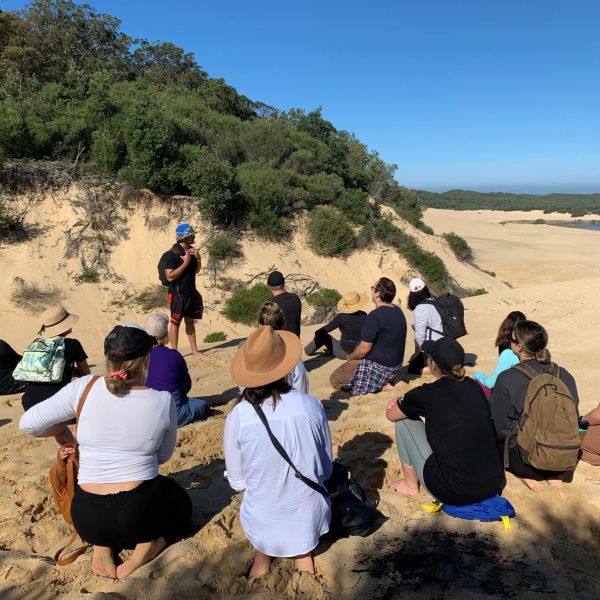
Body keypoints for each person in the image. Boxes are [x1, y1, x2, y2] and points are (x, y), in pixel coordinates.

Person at [19, 325, 191, 580]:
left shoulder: (85, 387)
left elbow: (28, 423)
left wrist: (61, 431)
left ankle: (102, 545)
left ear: (108, 358)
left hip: (86, 516)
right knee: (180, 502)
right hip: (138, 514)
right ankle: (146, 548)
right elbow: (163, 457)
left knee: (108, 511)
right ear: (146, 361)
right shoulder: (162, 400)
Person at [224, 325, 332, 577]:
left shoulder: (238, 416)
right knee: (305, 556)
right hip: (309, 514)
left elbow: (238, 482)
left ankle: (264, 556)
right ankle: (303, 557)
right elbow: (325, 469)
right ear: (286, 367)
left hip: (263, 517)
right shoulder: (311, 405)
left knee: (262, 554)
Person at [385, 337, 504, 504]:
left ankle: (410, 485)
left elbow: (391, 415)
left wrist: (399, 401)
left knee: (404, 421)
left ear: (433, 365)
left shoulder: (426, 394)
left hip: (454, 491)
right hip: (492, 483)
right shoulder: (474, 386)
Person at [491, 320, 580, 491]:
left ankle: (529, 474)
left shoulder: (507, 378)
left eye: (512, 338)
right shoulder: (564, 374)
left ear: (519, 347)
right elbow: (573, 413)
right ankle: (552, 475)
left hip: (525, 461)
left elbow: (501, 428)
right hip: (564, 456)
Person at [329, 277, 407, 397]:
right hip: (396, 367)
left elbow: (364, 349)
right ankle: (391, 380)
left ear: (378, 294)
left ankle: (381, 385)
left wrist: (351, 357)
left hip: (379, 368)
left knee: (335, 379)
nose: (371, 291)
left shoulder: (375, 316)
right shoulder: (398, 310)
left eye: (373, 288)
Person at [21, 305, 90, 412]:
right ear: (66, 325)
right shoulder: (73, 345)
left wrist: (69, 370)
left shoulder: (36, 343)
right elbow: (87, 376)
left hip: (29, 405)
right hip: (57, 406)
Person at [144, 313, 208, 428]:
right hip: (173, 415)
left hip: (146, 415)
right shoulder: (174, 355)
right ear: (166, 333)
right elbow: (186, 385)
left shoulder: (139, 358)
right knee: (202, 405)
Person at [164, 224, 203, 357]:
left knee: (190, 322)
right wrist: (185, 262)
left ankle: (194, 350)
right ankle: (174, 352)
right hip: (178, 295)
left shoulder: (192, 251)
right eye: (192, 235)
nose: (194, 237)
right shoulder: (171, 255)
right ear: (185, 237)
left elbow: (197, 271)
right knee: (175, 323)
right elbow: (170, 276)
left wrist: (198, 258)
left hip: (190, 293)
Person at [473, 311, 527, 399]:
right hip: (522, 387)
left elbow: (491, 383)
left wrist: (477, 375)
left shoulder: (508, 353)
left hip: (515, 395)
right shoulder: (526, 346)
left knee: (476, 385)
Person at [256, 302, 308, 393]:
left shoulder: (249, 355)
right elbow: (301, 391)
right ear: (283, 325)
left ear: (259, 326)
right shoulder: (293, 359)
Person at [304, 290, 369, 359]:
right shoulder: (364, 315)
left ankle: (308, 351)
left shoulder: (341, 317)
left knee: (322, 334)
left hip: (344, 353)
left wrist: (316, 334)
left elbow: (323, 331)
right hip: (360, 351)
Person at [406, 278, 443, 374]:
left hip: (434, 347)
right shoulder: (434, 300)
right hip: (445, 343)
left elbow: (420, 336)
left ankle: (439, 368)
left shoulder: (420, 309)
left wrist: (416, 353)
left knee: (412, 369)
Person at [267, 270, 301, 337]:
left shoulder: (272, 306)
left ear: (268, 286)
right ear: (284, 283)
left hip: (280, 345)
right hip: (296, 342)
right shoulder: (295, 298)